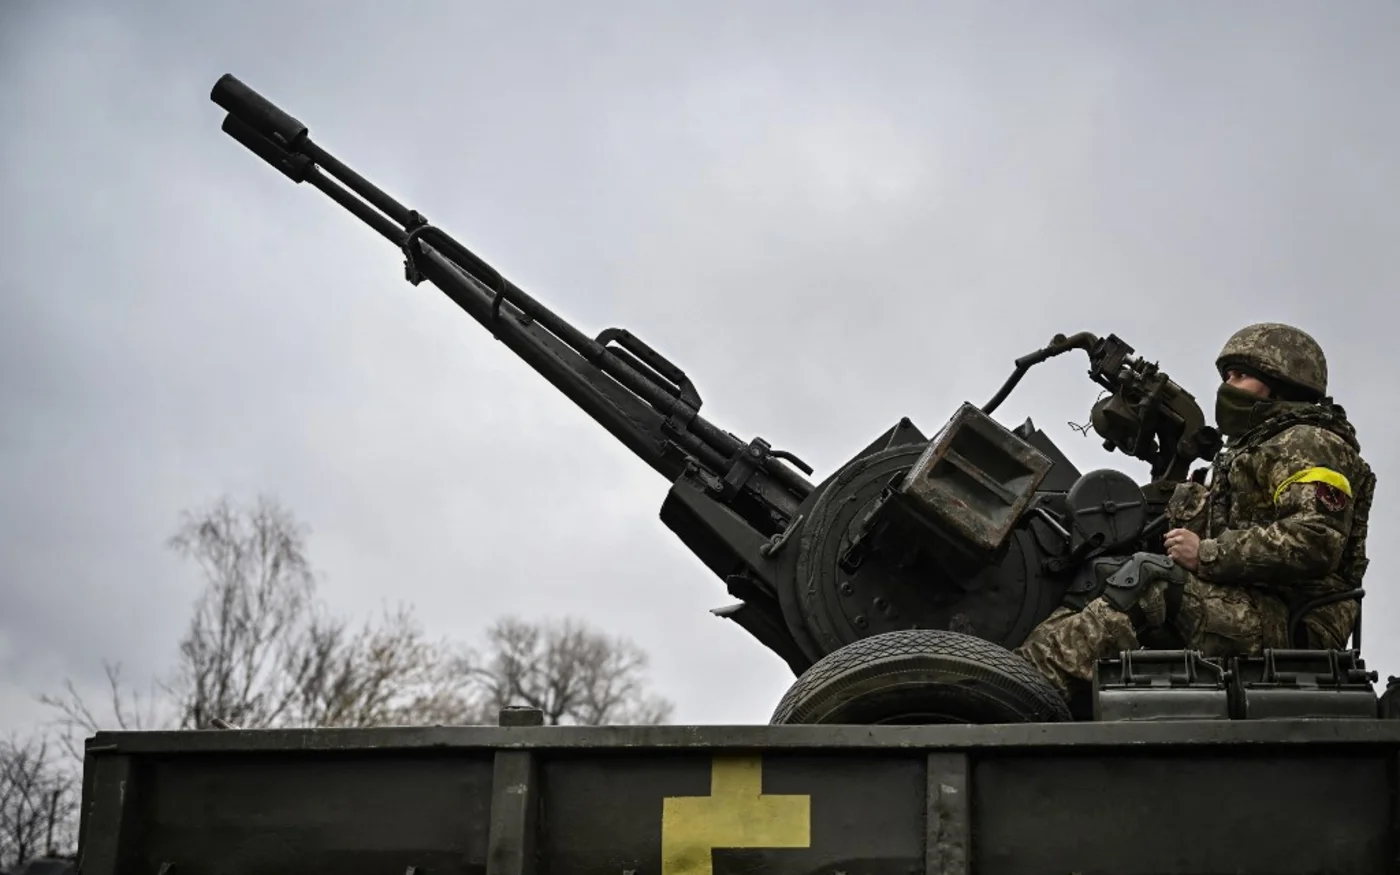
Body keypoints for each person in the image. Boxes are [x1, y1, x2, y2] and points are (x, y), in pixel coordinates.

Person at [1014, 322, 1375, 701]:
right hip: (1249, 603)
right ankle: (1018, 669)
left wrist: (1205, 554)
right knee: (1103, 571)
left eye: (1241, 376)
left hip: (1292, 622)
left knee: (1149, 580)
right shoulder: (1246, 452)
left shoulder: (1311, 443)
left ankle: (1022, 689)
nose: (1227, 386)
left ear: (1279, 384)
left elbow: (1314, 541)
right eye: (1227, 375)